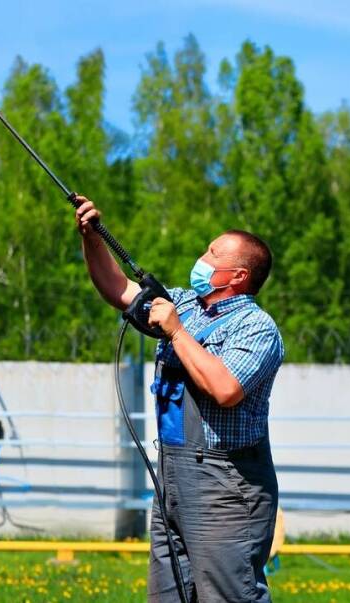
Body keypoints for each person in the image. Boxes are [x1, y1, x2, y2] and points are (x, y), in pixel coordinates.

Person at [74, 195, 284, 602]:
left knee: (228, 595)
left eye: (213, 253)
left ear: (238, 275)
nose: (202, 257)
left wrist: (176, 332)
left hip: (225, 488)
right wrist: (92, 236)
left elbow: (225, 389)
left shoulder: (257, 327)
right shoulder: (185, 304)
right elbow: (119, 290)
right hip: (173, 476)